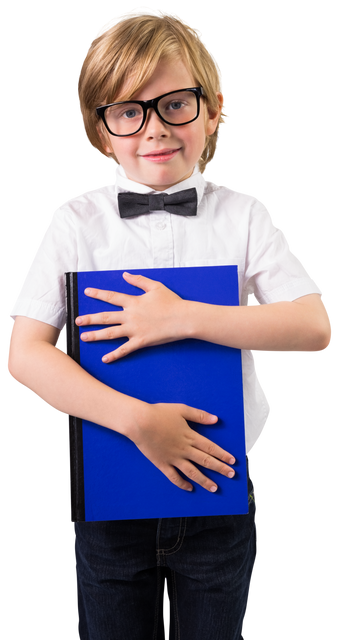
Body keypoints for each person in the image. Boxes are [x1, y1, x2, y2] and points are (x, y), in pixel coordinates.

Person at [5, 5, 333, 640]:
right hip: (110, 496)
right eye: (130, 111)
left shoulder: (244, 215)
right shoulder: (75, 221)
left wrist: (184, 318)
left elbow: (314, 327)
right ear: (101, 131)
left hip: (220, 492)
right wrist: (140, 423)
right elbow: (24, 354)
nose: (155, 129)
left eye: (176, 103)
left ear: (212, 109)